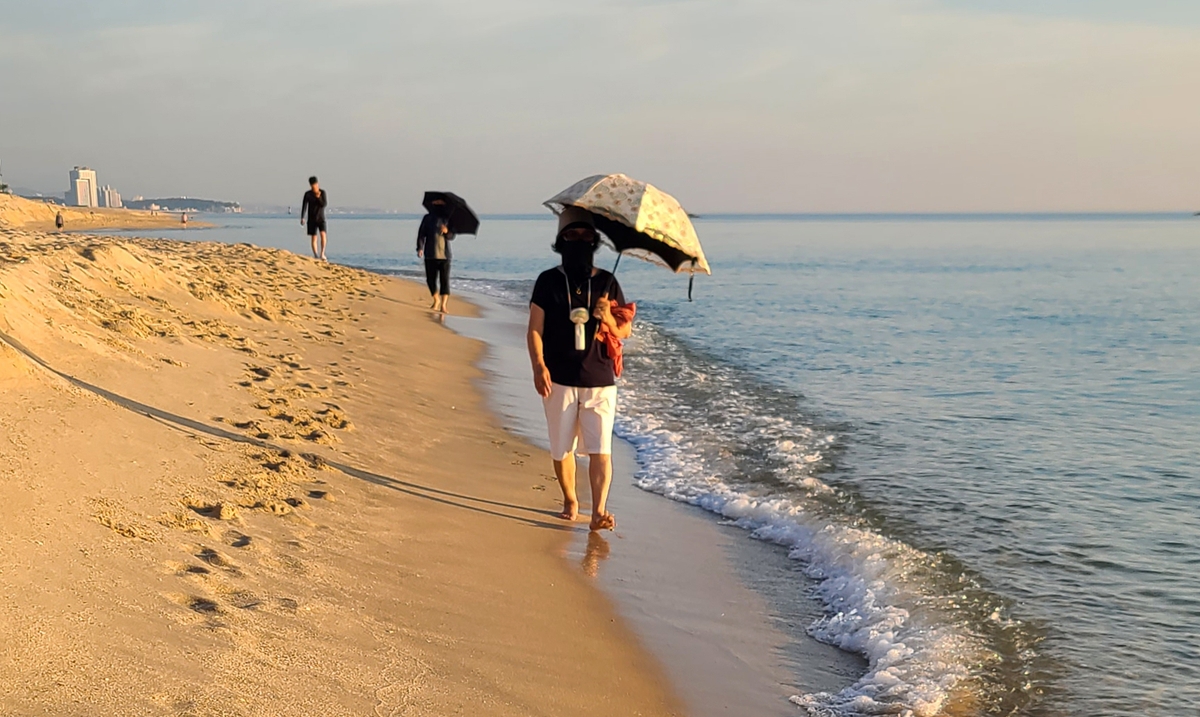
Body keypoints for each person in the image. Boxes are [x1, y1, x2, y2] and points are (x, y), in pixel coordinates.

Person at [527, 207, 634, 531]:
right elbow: (534, 328)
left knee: (601, 448)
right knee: (561, 448)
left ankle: (599, 510)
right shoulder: (548, 281)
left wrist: (608, 319)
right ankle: (571, 498)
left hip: (600, 379)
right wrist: (538, 366)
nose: (579, 240)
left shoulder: (607, 281)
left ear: (595, 241)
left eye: (586, 236)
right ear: (560, 241)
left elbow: (624, 332)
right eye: (572, 235)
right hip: (558, 377)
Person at [416, 200, 455, 312]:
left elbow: (452, 236)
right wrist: (420, 248)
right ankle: (436, 299)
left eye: (440, 205)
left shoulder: (447, 219)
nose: (438, 207)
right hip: (430, 254)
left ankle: (443, 305)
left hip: (445, 256)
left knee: (444, 280)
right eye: (436, 204)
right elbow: (421, 235)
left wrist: (447, 231)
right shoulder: (427, 218)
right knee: (430, 279)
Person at [301, 176, 328, 261]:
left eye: (316, 185)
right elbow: (304, 206)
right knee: (314, 237)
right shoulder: (308, 194)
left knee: (323, 235)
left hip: (321, 218)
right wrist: (302, 217)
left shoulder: (322, 192)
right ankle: (316, 254)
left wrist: (318, 197)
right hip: (312, 218)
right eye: (313, 185)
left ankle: (322, 253)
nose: (315, 187)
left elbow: (324, 204)